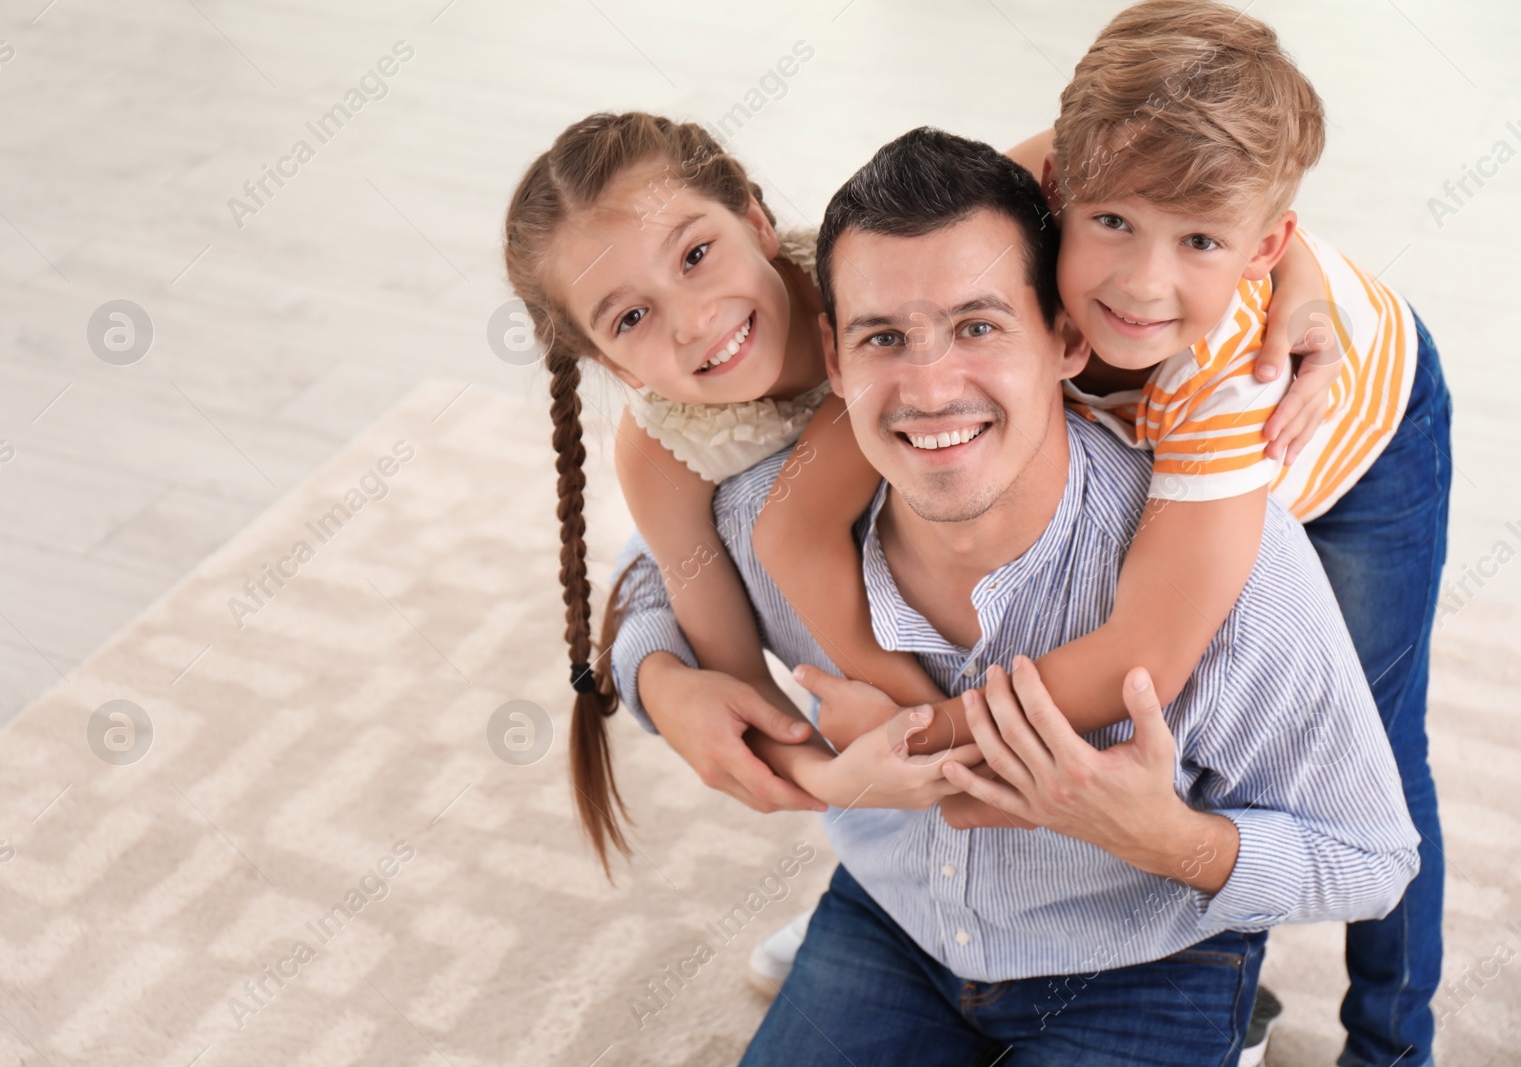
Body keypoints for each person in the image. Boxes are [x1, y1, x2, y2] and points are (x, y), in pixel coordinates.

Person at [610, 125, 1420, 1065]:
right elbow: (650, 574)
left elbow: (1374, 857)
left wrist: (1172, 841)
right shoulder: (766, 504)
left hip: (1141, 959)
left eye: (978, 326)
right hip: (896, 922)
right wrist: (660, 678)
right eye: (884, 337)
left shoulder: (1239, 572)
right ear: (834, 357)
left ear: (1068, 335)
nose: (930, 386)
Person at [499, 106, 1336, 875]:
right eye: (630, 319)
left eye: (695, 255)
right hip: (940, 661)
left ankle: (1301, 990)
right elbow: (725, 649)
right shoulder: (663, 454)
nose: (692, 318)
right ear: (607, 363)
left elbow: (1158, 140)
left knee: (1322, 718)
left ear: (754, 221)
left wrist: (1295, 270)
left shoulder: (891, 253)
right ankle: (903, 902)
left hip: (1321, 421)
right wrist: (842, 774)